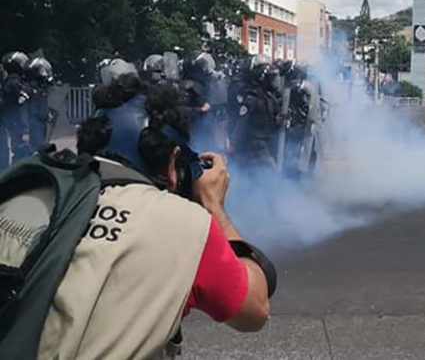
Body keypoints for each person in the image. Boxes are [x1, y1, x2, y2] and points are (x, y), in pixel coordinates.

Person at [36, 74, 273, 358]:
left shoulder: (38, 192)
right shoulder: (185, 225)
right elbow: (254, 309)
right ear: (173, 164)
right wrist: (213, 207)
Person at [229, 58, 280, 169]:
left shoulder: (271, 97)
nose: (273, 81)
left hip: (269, 141)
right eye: (270, 78)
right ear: (262, 78)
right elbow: (241, 123)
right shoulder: (251, 98)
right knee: (268, 171)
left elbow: (276, 118)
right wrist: (233, 144)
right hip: (255, 145)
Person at [1, 52, 32, 161]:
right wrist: (25, 130)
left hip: (11, 124)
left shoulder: (8, 82)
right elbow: (21, 107)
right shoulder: (14, 84)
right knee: (22, 153)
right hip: (16, 125)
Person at [23, 56, 55, 149]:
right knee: (37, 147)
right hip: (33, 123)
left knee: (42, 144)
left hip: (41, 121)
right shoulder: (30, 90)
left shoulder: (40, 89)